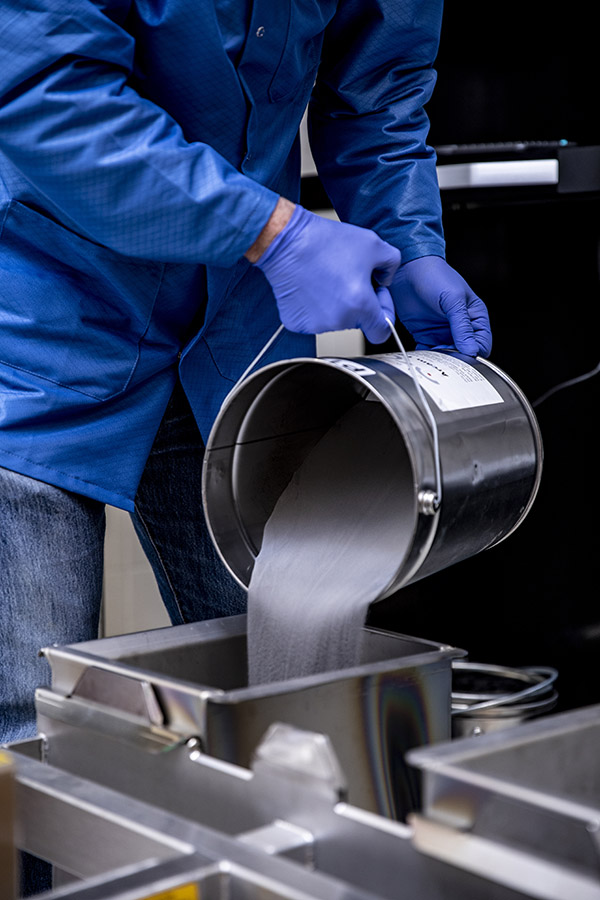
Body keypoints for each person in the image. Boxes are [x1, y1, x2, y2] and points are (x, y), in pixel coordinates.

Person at [0, 0, 492, 749]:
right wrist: (275, 234)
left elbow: (380, 87)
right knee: (24, 727)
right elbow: (47, 92)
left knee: (285, 690)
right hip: (48, 307)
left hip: (236, 330)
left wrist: (410, 240)